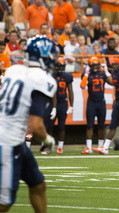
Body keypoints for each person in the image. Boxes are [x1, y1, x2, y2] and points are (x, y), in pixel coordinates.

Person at [0, 35, 56, 212]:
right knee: (4, 203)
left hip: (15, 139)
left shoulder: (13, 70)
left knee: (38, 184)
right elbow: (36, 125)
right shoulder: (42, 79)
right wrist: (48, 140)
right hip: (7, 142)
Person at [80, 56, 112, 154]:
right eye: (93, 65)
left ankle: (100, 146)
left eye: (96, 65)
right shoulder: (87, 75)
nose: (94, 67)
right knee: (89, 125)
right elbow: (82, 85)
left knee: (101, 126)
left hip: (101, 102)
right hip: (91, 102)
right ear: (89, 66)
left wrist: (106, 71)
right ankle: (89, 147)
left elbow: (112, 82)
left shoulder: (103, 74)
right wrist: (86, 73)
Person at [49, 57, 74, 154]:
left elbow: (70, 91)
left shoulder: (67, 76)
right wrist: (53, 107)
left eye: (62, 66)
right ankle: (49, 145)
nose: (60, 69)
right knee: (49, 126)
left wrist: (71, 105)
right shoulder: (50, 76)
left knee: (61, 126)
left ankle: (60, 147)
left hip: (63, 102)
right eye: (59, 66)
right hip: (52, 102)